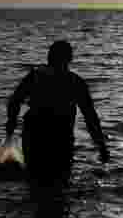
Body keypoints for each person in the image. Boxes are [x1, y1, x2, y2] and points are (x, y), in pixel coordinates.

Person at [6, 40, 109, 185]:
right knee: (60, 188)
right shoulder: (75, 82)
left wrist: (10, 126)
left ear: (49, 57)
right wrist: (101, 146)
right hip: (61, 142)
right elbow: (90, 117)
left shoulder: (35, 76)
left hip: (35, 138)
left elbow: (14, 101)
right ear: (69, 59)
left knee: (34, 183)